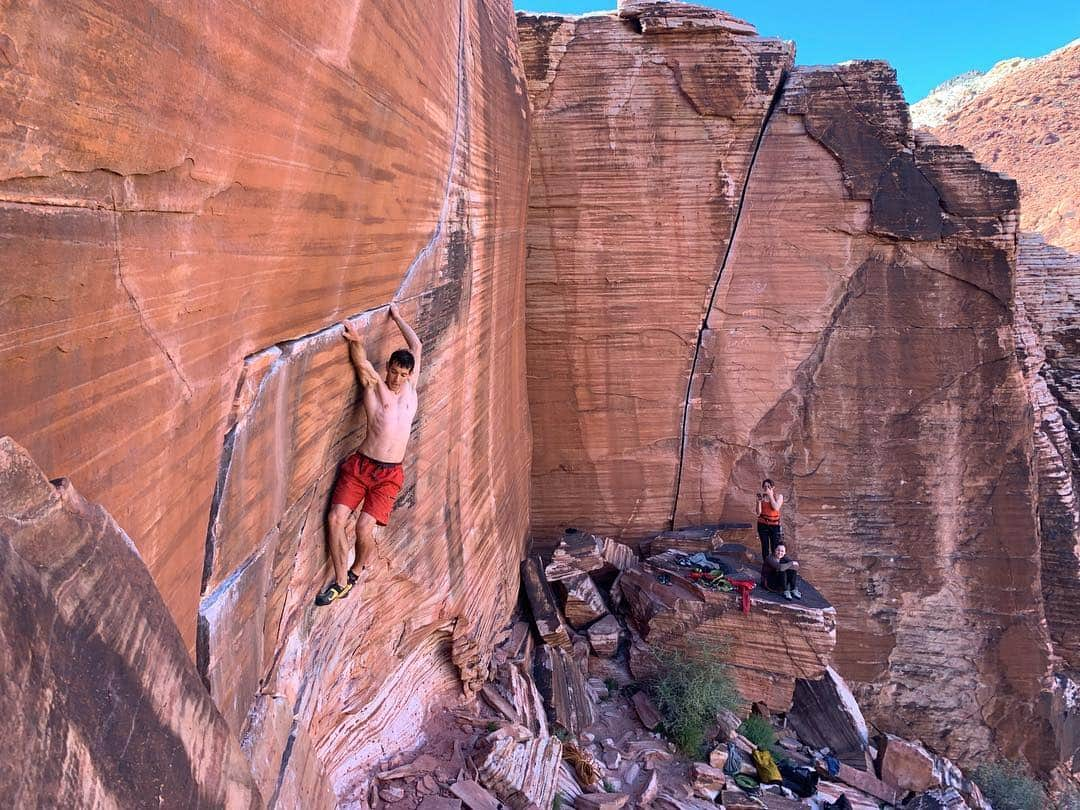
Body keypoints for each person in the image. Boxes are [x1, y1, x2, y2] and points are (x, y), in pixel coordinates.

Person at [315, 303, 421, 607]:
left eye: (403, 374)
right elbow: (362, 364)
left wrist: (398, 317)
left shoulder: (411, 389)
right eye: (394, 371)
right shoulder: (376, 387)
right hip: (361, 466)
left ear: (410, 373)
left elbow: (416, 345)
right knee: (335, 519)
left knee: (364, 527)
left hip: (390, 474)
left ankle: (357, 569)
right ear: (387, 368)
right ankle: (340, 581)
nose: (397, 379)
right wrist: (357, 341)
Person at [755, 478, 783, 560]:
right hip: (762, 524)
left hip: (774, 525)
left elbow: (776, 507)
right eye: (765, 486)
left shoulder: (778, 496)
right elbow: (758, 512)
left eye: (768, 486)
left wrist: (770, 495)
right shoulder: (762, 497)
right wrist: (758, 502)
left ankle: (775, 565)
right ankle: (766, 566)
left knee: (775, 546)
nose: (766, 488)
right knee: (765, 546)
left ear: (773, 487)